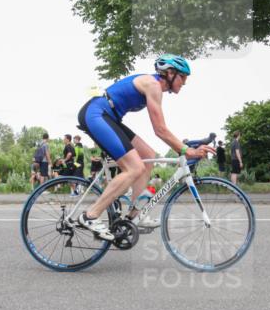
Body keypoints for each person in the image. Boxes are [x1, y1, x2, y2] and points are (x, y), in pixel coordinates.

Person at [73, 55, 213, 240]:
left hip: (108, 117)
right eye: (183, 77)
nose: (185, 82)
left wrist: (184, 147)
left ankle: (134, 214)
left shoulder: (155, 86)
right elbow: (160, 130)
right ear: (170, 73)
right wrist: (187, 150)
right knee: (134, 167)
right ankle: (90, 216)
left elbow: (160, 130)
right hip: (96, 113)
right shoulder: (153, 85)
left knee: (148, 155)